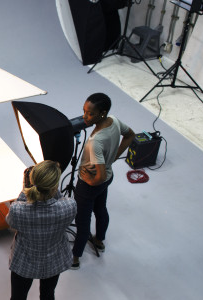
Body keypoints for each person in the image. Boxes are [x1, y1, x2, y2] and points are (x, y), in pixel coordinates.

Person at [71, 92, 135, 269]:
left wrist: (89, 182)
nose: (85, 116)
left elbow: (99, 176)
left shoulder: (95, 141)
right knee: (100, 209)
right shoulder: (113, 120)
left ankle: (75, 258)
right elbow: (130, 135)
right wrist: (113, 158)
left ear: (102, 113)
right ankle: (99, 240)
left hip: (91, 184)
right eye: (84, 111)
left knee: (82, 221)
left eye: (90, 113)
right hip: (108, 177)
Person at [6, 160, 77, 300]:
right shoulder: (69, 206)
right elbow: (58, 199)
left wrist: (25, 190)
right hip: (53, 262)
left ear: (32, 181)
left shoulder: (18, 210)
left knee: (18, 297)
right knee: (48, 295)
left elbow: (11, 223)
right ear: (55, 185)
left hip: (24, 262)